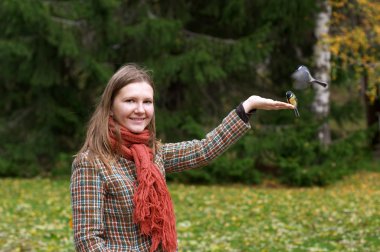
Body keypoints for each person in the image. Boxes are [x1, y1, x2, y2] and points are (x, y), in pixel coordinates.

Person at [70, 63, 294, 252]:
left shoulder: (155, 154)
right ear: (110, 108)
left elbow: (203, 150)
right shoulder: (91, 162)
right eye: (130, 101)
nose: (140, 109)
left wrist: (248, 106)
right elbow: (88, 241)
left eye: (147, 102)